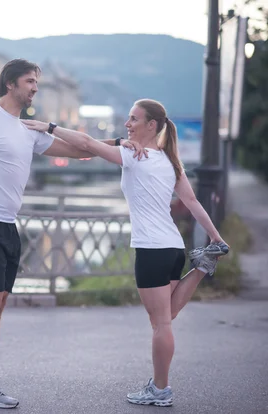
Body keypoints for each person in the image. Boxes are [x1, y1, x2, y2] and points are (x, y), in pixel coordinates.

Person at [0, 58, 147, 409]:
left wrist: (115, 142)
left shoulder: (28, 131)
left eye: (37, 82)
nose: (35, 87)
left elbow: (79, 151)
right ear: (10, 84)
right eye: (30, 81)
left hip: (8, 226)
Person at [22, 98, 228, 407]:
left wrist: (50, 127)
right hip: (173, 248)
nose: (127, 123)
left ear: (151, 125)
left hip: (152, 249)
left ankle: (160, 390)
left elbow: (88, 143)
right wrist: (215, 236)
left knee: (161, 324)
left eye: (133, 119)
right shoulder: (169, 161)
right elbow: (194, 203)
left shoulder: (133, 158)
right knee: (167, 316)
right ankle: (200, 267)